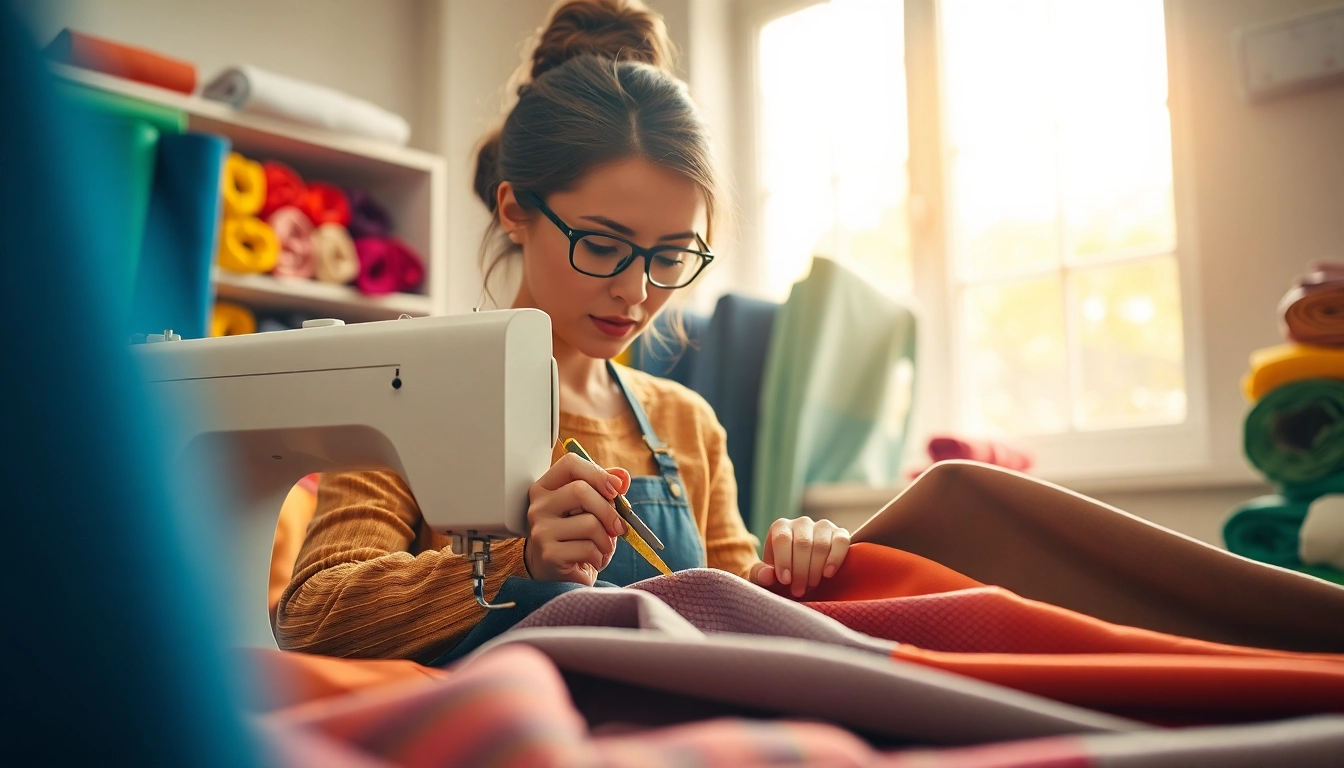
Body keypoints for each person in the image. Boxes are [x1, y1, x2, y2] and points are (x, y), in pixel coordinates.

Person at [274, 0, 851, 664]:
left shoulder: (687, 425)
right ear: (515, 209)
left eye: (670, 257)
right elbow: (314, 614)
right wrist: (517, 562)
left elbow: (738, 623)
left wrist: (794, 573)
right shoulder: (407, 387)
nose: (637, 293)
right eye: (603, 246)